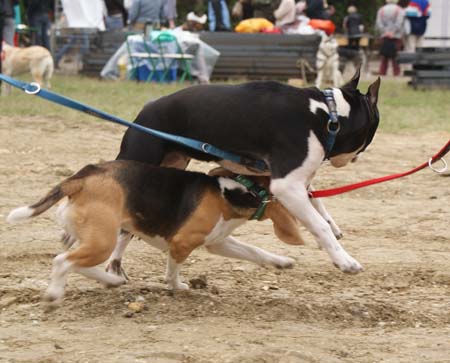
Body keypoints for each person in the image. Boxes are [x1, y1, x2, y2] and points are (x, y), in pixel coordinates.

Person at [54, 0, 105, 69]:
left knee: (72, 43)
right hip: (80, 23)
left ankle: (57, 58)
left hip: (77, 23)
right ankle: (83, 62)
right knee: (85, 44)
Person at [375, 0, 405, 76]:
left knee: (384, 55)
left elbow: (379, 23)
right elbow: (399, 22)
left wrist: (385, 32)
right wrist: (392, 32)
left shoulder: (381, 10)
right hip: (396, 36)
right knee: (396, 55)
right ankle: (396, 73)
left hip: (384, 35)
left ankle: (382, 72)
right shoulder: (399, 10)